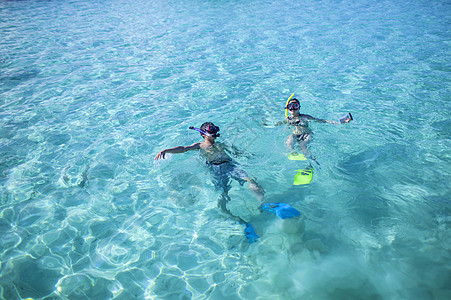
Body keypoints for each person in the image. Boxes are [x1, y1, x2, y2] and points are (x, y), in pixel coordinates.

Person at [154, 122, 264, 242]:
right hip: (217, 171)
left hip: (232, 166)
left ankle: (264, 205)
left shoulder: (221, 144)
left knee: (252, 181)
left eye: (214, 132)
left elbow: (237, 153)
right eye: (210, 132)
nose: (214, 135)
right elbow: (184, 149)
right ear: (202, 134)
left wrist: (252, 157)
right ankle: (238, 221)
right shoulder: (200, 146)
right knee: (222, 197)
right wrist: (167, 150)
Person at [273, 97, 352, 158]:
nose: (293, 108)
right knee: (290, 140)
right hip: (295, 135)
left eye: (295, 105)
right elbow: (279, 124)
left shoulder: (305, 117)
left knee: (303, 145)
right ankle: (293, 153)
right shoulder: (287, 119)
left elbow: (321, 120)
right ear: (287, 108)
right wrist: (271, 124)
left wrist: (339, 123)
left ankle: (310, 159)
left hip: (306, 134)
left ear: (299, 108)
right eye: (290, 106)